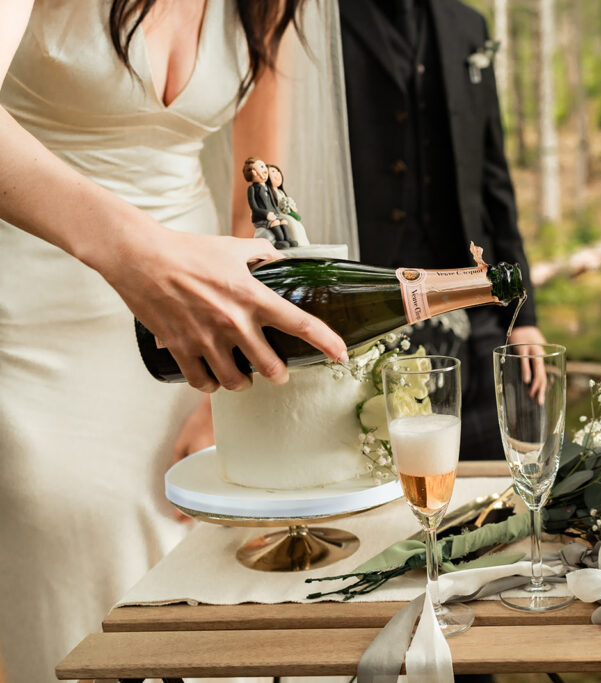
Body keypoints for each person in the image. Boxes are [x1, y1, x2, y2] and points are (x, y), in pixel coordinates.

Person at [0, 1, 349, 680]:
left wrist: (233, 374)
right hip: (36, 323)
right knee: (80, 590)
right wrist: (138, 253)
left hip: (198, 337)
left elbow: (262, 189)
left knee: (235, 607)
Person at [339, 0, 547, 460]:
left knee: (509, 459)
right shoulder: (327, 18)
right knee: (382, 468)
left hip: (474, 294)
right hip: (370, 303)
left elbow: (494, 176)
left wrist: (524, 315)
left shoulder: (468, 25)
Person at [267, 162, 311, 246]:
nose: (277, 174)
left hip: (285, 212)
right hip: (278, 214)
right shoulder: (270, 193)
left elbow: (287, 202)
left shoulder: (281, 192)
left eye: (277, 171)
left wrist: (291, 207)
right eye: (273, 172)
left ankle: (302, 243)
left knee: (297, 223)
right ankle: (292, 241)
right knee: (290, 221)